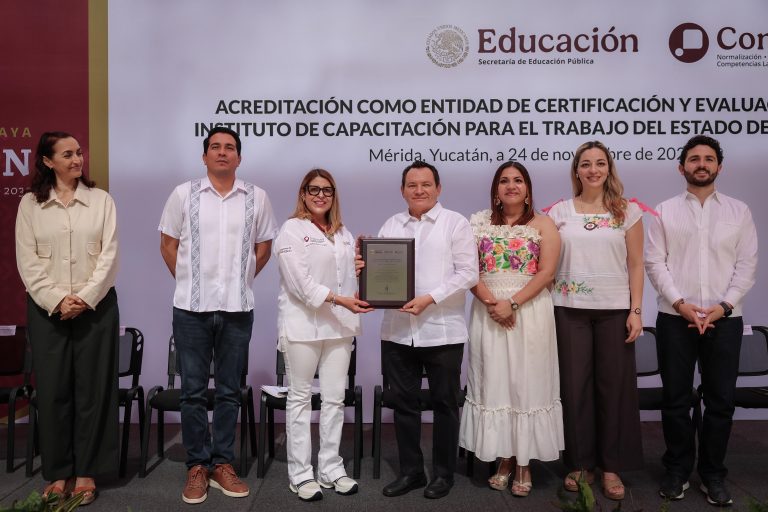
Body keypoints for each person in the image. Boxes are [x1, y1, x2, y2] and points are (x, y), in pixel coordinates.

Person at [159, 126, 277, 504]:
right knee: (193, 392)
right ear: (204, 156)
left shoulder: (257, 197)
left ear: (239, 157)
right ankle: (197, 465)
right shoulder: (183, 194)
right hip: (190, 311)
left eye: (229, 147)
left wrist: (241, 282)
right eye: (215, 147)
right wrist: (189, 282)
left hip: (237, 310)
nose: (222, 152)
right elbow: (168, 245)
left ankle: (222, 463)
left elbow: (263, 248)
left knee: (228, 392)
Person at [645, 135, 757, 507]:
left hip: (725, 320)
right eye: (694, 159)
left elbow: (747, 266)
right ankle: (677, 470)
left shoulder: (739, 211)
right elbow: (655, 263)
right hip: (675, 319)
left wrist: (723, 307)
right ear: (682, 168)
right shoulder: (664, 211)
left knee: (721, 402)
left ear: (719, 167)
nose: (702, 164)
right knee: (676, 400)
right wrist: (681, 304)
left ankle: (713, 474)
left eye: (709, 158)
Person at [15, 131, 119, 506]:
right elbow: (27, 261)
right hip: (47, 310)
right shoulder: (30, 205)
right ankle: (58, 473)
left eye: (78, 153)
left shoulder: (101, 201)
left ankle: (88, 471)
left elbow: (109, 257)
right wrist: (58, 300)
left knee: (93, 391)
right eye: (67, 154)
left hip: (97, 308)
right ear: (48, 161)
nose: (77, 159)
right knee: (53, 391)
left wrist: (85, 298)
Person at [459, 161, 564, 497]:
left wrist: (513, 303)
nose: (511, 186)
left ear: (528, 189)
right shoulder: (477, 223)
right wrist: (495, 304)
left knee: (527, 384)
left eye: (518, 180)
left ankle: (523, 463)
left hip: (530, 312)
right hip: (489, 312)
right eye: (504, 181)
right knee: (495, 383)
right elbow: (468, 271)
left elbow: (547, 273)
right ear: (496, 190)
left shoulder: (544, 224)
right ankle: (503, 458)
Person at [374, 161, 478, 500]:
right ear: (402, 190)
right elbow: (380, 271)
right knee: (403, 404)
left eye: (426, 184)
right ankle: (412, 472)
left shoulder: (455, 223)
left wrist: (430, 298)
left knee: (445, 404)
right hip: (398, 331)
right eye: (412, 185)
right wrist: (364, 267)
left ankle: (443, 474)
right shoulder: (391, 224)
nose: (419, 190)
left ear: (438, 188)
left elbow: (468, 273)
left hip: (442, 331)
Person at [547, 141, 644, 501]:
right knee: (574, 389)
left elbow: (636, 264)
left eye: (600, 163)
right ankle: (579, 463)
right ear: (576, 171)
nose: (593, 170)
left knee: (613, 388)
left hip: (615, 310)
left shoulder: (628, 211)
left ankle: (612, 466)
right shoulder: (559, 212)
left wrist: (636, 310)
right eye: (586, 164)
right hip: (568, 307)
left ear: (608, 169)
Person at [274, 169, 372, 501]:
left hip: (339, 327)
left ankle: (330, 467)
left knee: (334, 399)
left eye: (327, 190)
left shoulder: (343, 233)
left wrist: (362, 270)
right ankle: (301, 474)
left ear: (334, 195)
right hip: (303, 326)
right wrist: (340, 299)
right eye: (313, 189)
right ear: (303, 193)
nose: (320, 195)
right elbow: (300, 285)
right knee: (300, 399)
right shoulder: (291, 229)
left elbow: (347, 281)